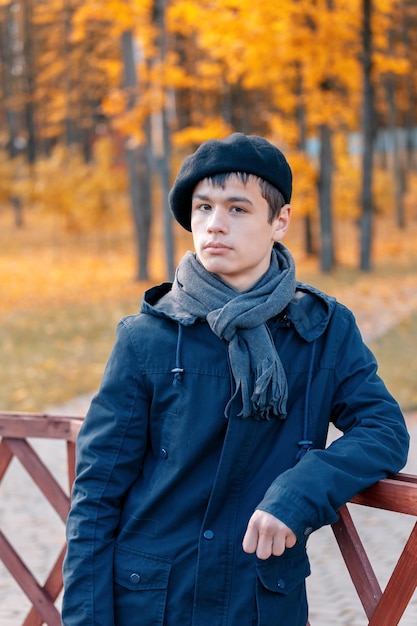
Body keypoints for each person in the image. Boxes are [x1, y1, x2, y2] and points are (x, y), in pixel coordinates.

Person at [62, 132, 409, 626]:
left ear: (279, 221)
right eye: (203, 208)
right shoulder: (147, 338)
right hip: (155, 604)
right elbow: (95, 498)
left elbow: (385, 430)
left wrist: (301, 491)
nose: (214, 225)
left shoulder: (323, 331)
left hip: (260, 601)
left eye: (237, 209)